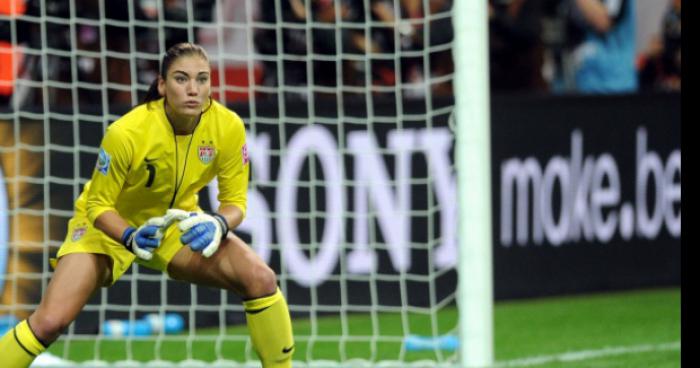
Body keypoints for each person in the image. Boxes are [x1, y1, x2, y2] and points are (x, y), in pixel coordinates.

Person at [0, 42, 295, 368]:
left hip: (173, 226)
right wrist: (129, 236)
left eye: (202, 79)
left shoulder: (227, 127)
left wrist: (218, 223)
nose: (193, 90)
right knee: (49, 323)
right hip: (108, 230)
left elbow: (235, 203)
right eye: (181, 79)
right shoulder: (127, 132)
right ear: (162, 85)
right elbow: (98, 204)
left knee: (261, 279)